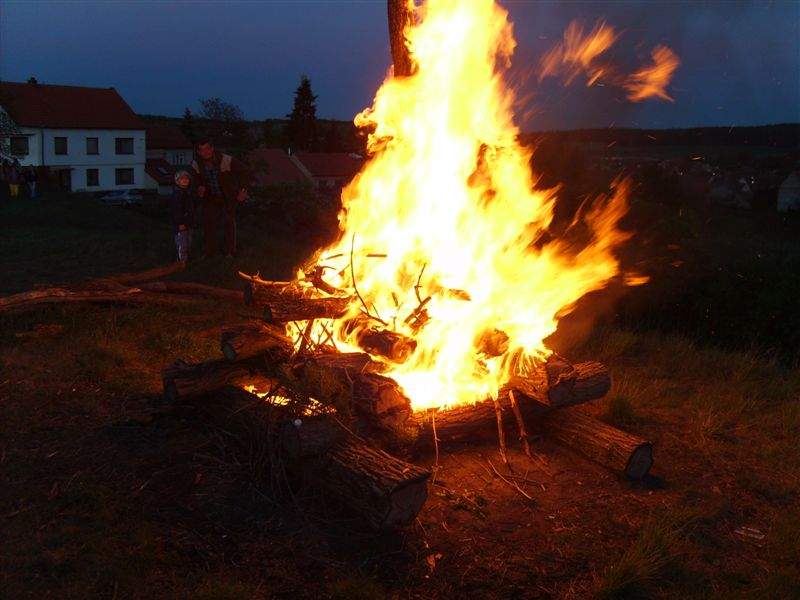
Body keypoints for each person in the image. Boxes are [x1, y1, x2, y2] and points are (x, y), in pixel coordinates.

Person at [190, 138, 251, 258]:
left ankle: (229, 252)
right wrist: (198, 188)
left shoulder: (226, 160)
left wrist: (243, 190)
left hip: (227, 197)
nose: (205, 152)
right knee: (208, 223)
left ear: (212, 149)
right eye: (201, 150)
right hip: (210, 197)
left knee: (228, 223)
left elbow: (245, 171)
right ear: (198, 152)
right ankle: (210, 252)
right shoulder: (196, 164)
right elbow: (194, 179)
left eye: (207, 148)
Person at [170, 170, 196, 264]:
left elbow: (192, 207)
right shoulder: (177, 194)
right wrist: (180, 223)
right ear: (177, 181)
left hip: (189, 223)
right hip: (181, 225)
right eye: (182, 178)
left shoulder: (188, 193)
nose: (185, 180)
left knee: (188, 244)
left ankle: (186, 264)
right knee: (182, 245)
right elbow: (176, 210)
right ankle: (180, 264)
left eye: (186, 178)